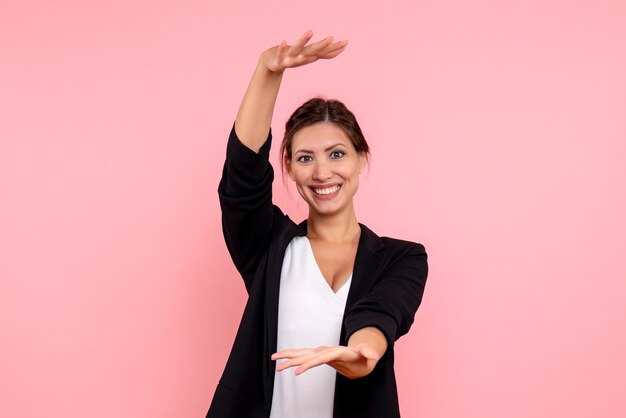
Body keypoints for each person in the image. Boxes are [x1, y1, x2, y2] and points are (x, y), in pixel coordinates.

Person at [207, 31, 428, 418]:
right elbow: (241, 182)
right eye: (306, 158)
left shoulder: (402, 258)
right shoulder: (269, 247)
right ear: (289, 167)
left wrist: (364, 351)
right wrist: (267, 71)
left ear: (361, 158)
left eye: (336, 154)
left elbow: (381, 313)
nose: (322, 172)